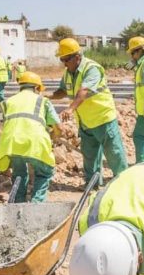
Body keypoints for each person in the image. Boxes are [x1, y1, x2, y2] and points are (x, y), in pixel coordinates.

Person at [51, 37, 128, 186]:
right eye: (62, 60)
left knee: (114, 154)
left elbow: (83, 91)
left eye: (66, 60)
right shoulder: (68, 73)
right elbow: (62, 90)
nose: (64, 64)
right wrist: (48, 97)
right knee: (90, 155)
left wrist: (70, 109)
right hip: (85, 121)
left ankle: (123, 183)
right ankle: (92, 184)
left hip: (102, 118)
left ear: (77, 57)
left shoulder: (91, 68)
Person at [0, 71, 60, 203]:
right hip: (35, 142)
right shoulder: (42, 101)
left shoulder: (8, 102)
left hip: (12, 143)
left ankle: (18, 204)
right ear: (36, 88)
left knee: (19, 174)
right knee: (44, 173)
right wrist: (54, 136)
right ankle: (36, 205)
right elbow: (58, 128)